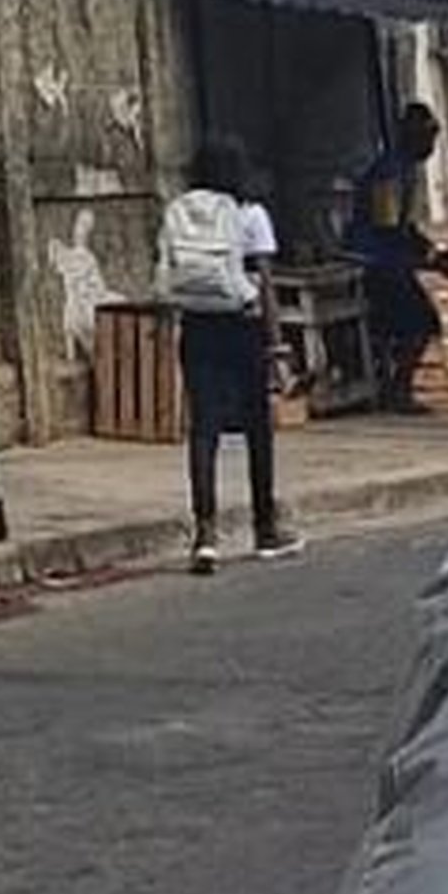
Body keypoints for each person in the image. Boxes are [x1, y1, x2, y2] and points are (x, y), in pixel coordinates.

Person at [157, 133, 300, 572]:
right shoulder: (250, 214)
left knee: (204, 429)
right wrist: (276, 346)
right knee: (257, 426)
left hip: (197, 326)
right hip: (242, 325)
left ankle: (205, 533)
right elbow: (266, 283)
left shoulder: (179, 211)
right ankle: (264, 527)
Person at [345, 94, 447, 415]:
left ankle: (393, 385)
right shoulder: (389, 173)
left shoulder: (406, 170)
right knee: (422, 322)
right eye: (428, 136)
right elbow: (386, 228)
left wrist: (431, 249)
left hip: (390, 258)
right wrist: (428, 260)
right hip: (376, 261)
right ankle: (398, 388)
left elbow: (406, 226)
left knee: (405, 325)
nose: (431, 144)